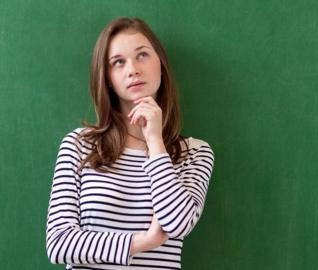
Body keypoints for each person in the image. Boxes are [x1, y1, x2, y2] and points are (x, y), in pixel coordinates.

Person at [45, 17, 214, 270]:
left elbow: (178, 224)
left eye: (142, 55)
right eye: (118, 62)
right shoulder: (79, 145)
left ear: (161, 64)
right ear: (108, 78)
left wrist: (155, 141)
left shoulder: (195, 152)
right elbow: (59, 244)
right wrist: (142, 241)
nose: (133, 69)